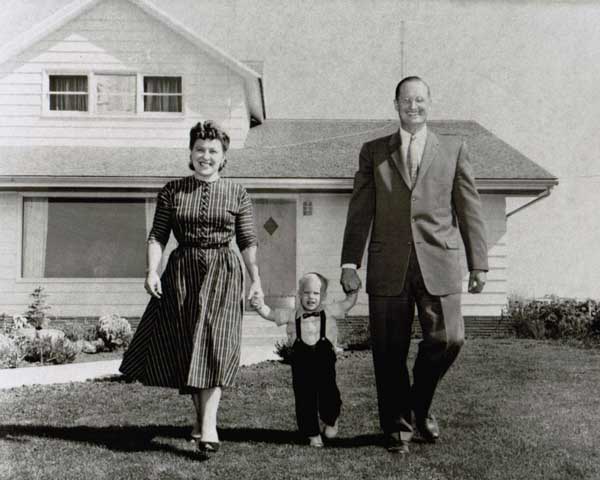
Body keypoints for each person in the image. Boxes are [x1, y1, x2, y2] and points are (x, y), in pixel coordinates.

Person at [340, 76, 488, 454]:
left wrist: (479, 263)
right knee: (388, 350)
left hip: (439, 261)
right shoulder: (373, 152)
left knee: (449, 338)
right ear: (396, 104)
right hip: (388, 265)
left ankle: (418, 406)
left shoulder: (454, 149)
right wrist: (349, 262)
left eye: (420, 100)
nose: (413, 106)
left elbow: (469, 208)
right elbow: (360, 210)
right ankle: (397, 430)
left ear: (429, 103)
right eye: (407, 100)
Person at [120, 121, 263, 454]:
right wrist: (152, 271)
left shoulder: (238, 193)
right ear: (190, 152)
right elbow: (157, 236)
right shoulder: (172, 191)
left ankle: (209, 426)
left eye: (213, 151)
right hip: (182, 273)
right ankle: (200, 422)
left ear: (224, 157)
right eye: (200, 149)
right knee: (190, 347)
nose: (206, 156)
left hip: (224, 273)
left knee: (216, 345)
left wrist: (256, 278)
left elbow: (248, 240)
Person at [251, 272, 357, 447]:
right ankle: (312, 433)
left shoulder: (329, 310)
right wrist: (259, 305)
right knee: (304, 397)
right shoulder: (292, 314)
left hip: (324, 362)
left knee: (328, 393)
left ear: (323, 296)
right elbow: (270, 314)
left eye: (316, 293)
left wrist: (353, 293)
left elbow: (347, 304)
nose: (311, 297)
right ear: (299, 295)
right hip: (301, 362)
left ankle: (331, 419)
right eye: (307, 293)